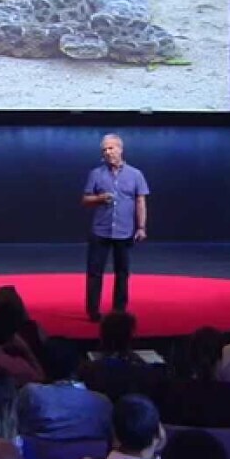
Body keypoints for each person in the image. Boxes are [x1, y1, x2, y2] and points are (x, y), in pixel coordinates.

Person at [81, 134, 149, 322]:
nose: (107, 152)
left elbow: (140, 201)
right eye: (104, 150)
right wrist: (99, 198)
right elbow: (85, 200)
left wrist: (141, 227)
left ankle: (119, 311)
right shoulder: (96, 174)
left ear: (120, 149)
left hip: (124, 231)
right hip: (100, 230)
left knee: (122, 273)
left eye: (110, 148)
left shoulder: (135, 174)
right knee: (95, 272)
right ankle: (93, 312)